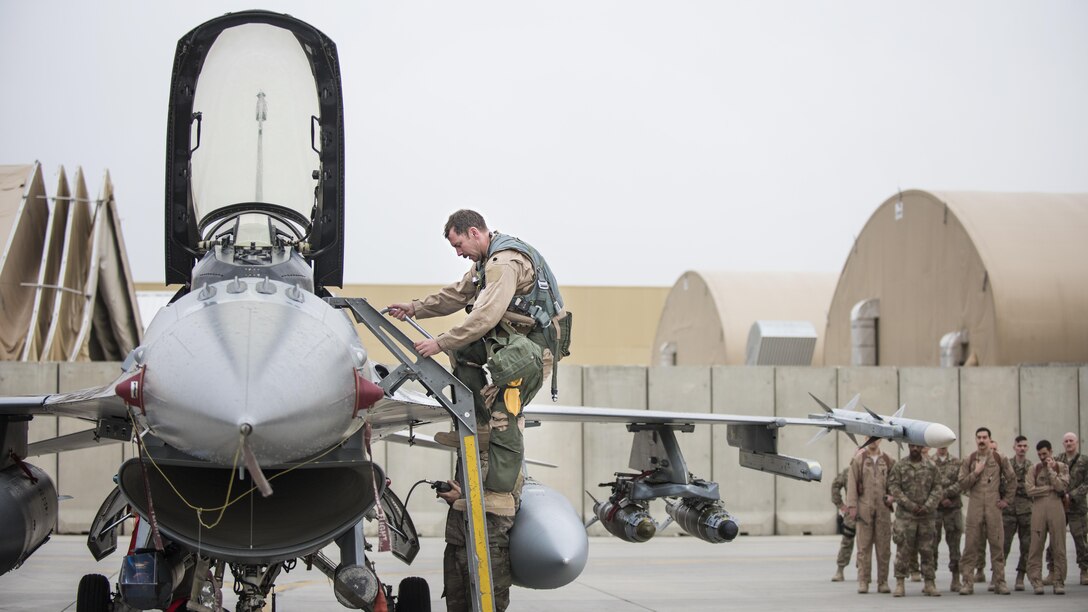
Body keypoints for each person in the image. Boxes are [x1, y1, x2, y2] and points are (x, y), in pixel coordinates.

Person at [389, 209, 567, 612]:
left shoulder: (504, 263)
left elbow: (485, 315)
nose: (458, 253)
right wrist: (414, 308)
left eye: (458, 244)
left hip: (531, 352)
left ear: (474, 232)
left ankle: (499, 490)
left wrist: (441, 341)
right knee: (469, 353)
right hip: (511, 343)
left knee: (504, 400)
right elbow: (457, 294)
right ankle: (478, 423)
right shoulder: (485, 263)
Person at [956, 426, 1016, 595]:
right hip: (975, 506)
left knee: (997, 545)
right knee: (970, 546)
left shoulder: (999, 458)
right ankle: (967, 582)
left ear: (990, 440)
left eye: (985, 437)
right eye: (979, 438)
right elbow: (961, 484)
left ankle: (999, 582)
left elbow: (1012, 480)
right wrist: (975, 472)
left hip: (993, 506)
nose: (982, 440)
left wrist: (1006, 501)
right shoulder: (969, 459)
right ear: (976, 440)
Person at [888, 444, 942, 597]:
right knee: (903, 551)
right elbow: (894, 487)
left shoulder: (931, 466)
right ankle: (900, 583)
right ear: (909, 446)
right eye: (912, 446)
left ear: (922, 447)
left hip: (926, 517)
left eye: (918, 446)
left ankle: (929, 583)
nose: (915, 449)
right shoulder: (900, 466)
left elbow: (937, 487)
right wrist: (910, 505)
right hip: (906, 517)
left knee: (927, 551)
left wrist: (928, 505)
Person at [847, 440, 895, 594]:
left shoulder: (888, 460)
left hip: (883, 509)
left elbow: (895, 482)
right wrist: (852, 506)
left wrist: (892, 496)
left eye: (876, 438)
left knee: (884, 548)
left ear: (880, 439)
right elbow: (852, 484)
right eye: (870, 437)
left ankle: (883, 582)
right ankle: (863, 581)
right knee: (863, 548)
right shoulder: (859, 460)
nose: (873, 441)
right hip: (864, 509)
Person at [1025, 439, 1070, 595]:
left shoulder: (1062, 467)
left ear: (1051, 451)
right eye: (1039, 454)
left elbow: (1061, 488)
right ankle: (1036, 581)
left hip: (1056, 508)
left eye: (1045, 454)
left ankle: (1058, 581)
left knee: (1059, 546)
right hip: (1038, 509)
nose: (1042, 457)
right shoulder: (1034, 469)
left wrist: (1051, 471)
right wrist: (1049, 488)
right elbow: (1030, 490)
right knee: (1036, 546)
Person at [931, 444, 964, 592]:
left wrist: (946, 494)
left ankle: (956, 578)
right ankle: (930, 579)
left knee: (954, 544)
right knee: (931, 544)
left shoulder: (958, 463)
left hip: (953, 508)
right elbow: (926, 483)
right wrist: (939, 498)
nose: (942, 446)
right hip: (935, 509)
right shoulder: (929, 462)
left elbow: (961, 482)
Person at [1002, 435, 1032, 591]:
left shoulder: (1031, 467)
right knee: (1004, 544)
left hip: (1026, 511)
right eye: (1019, 445)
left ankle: (1021, 575)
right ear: (1014, 447)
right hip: (1009, 511)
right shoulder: (1007, 465)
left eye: (1024, 446)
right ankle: (998, 576)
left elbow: (1031, 488)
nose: (1021, 448)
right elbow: (1003, 485)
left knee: (1026, 545)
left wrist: (1015, 487)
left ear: (1027, 448)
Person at [1058, 432, 1088, 585]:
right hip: (1060, 507)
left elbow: (1087, 483)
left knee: (1080, 539)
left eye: (1071, 441)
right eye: (1066, 441)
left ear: (1077, 442)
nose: (1069, 443)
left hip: (1077, 507)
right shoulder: (1058, 460)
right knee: (1055, 540)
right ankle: (1053, 571)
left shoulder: (1084, 461)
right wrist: (1062, 495)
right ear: (1063, 443)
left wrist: (1072, 495)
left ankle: (1084, 570)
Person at [831, 450, 863, 582]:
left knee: (864, 545)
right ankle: (840, 569)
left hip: (867, 514)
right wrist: (841, 505)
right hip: (851, 515)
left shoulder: (871, 472)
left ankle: (862, 571)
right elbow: (835, 486)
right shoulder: (847, 472)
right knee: (847, 542)